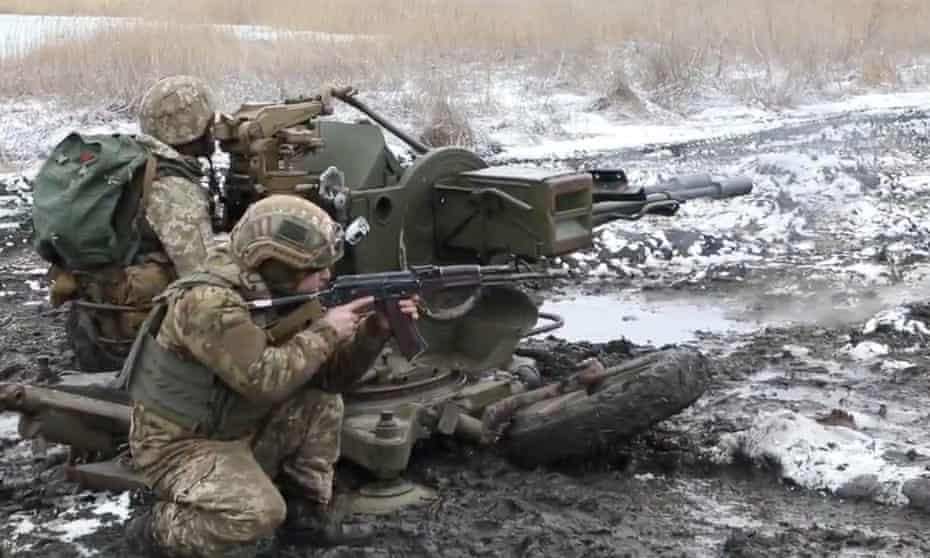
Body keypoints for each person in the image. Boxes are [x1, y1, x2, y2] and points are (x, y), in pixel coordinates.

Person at [122, 195, 418, 558]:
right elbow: (264, 382)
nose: (327, 275)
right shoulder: (208, 302)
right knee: (259, 513)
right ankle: (156, 530)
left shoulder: (274, 289)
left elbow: (331, 379)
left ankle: (305, 518)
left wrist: (375, 331)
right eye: (315, 268)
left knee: (321, 399)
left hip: (233, 421)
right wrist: (326, 332)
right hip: (180, 445)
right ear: (277, 264)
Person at [53, 74, 218, 370]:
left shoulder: (134, 163)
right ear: (195, 128)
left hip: (92, 324)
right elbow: (202, 276)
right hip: (131, 340)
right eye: (209, 122)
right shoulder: (173, 188)